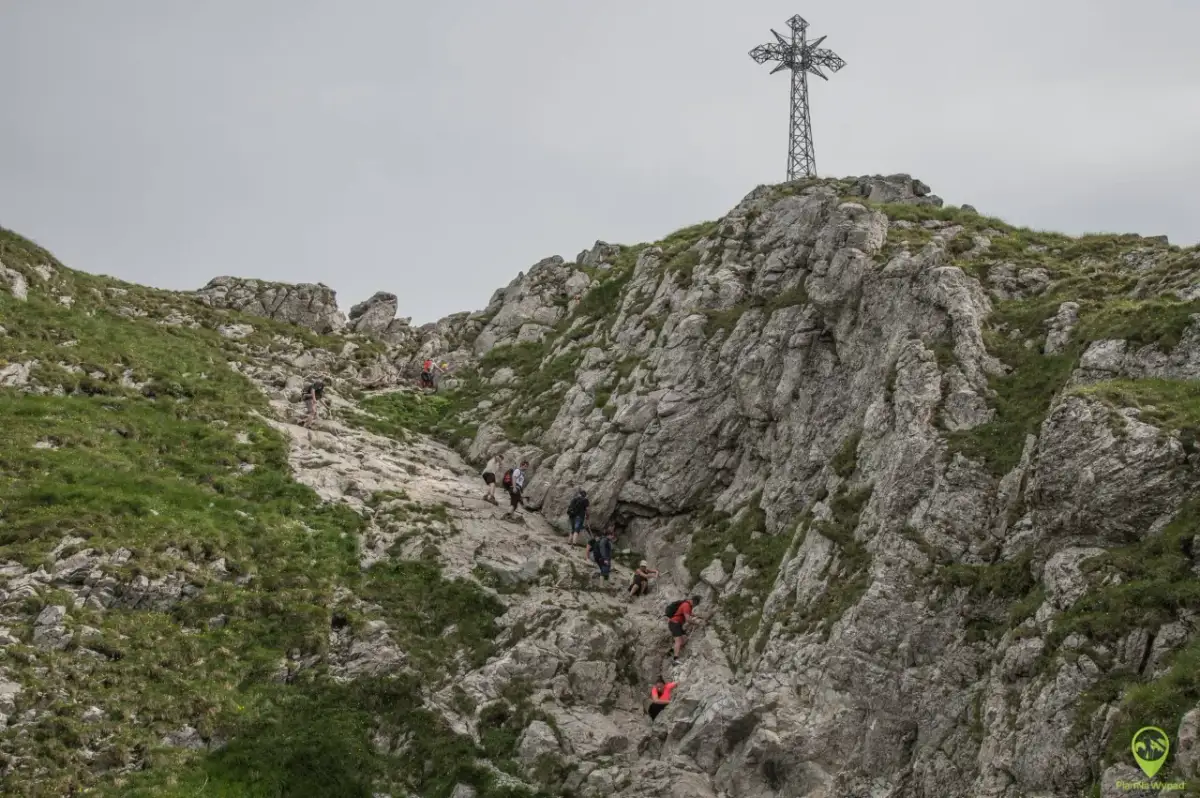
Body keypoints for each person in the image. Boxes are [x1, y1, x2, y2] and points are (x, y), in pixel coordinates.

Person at [665, 594, 701, 664]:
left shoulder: (687, 605)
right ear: (695, 602)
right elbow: (688, 619)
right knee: (678, 641)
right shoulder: (686, 605)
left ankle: (671, 651)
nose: (695, 606)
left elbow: (689, 614)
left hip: (677, 624)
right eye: (696, 605)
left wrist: (699, 616)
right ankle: (675, 659)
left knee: (684, 639)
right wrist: (696, 623)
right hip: (674, 624)